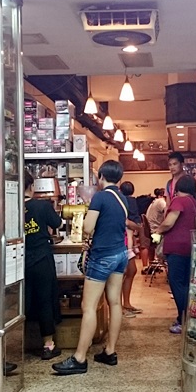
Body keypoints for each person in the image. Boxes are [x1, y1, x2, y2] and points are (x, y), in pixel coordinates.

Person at [52, 160, 129, 375]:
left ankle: (79, 358)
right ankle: (110, 351)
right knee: (114, 303)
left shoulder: (100, 196)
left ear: (101, 176)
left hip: (102, 255)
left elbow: (87, 227)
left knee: (88, 306)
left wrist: (87, 224)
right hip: (120, 254)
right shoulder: (122, 198)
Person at [23, 170, 64, 360]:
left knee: (21, 302)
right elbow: (56, 222)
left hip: (18, 260)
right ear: (32, 187)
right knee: (45, 300)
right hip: (41, 258)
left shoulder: (8, 207)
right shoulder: (42, 206)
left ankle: (16, 344)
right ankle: (48, 345)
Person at [155, 174, 196, 335]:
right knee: (188, 284)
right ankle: (188, 317)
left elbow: (169, 222)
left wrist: (158, 231)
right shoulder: (195, 203)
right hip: (192, 247)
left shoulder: (179, 201)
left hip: (177, 248)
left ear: (178, 187)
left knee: (177, 283)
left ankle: (183, 320)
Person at [119, 180, 143, 317]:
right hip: (122, 240)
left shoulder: (120, 199)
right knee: (121, 274)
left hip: (127, 240)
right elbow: (134, 223)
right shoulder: (131, 201)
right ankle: (120, 307)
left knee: (131, 270)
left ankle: (126, 304)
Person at [142, 188, 167, 275]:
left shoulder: (154, 201)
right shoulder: (161, 201)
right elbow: (167, 212)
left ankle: (152, 264)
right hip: (156, 233)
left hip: (151, 232)